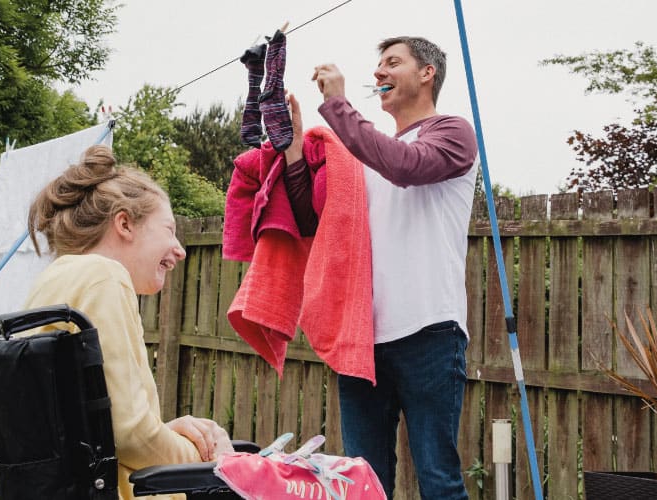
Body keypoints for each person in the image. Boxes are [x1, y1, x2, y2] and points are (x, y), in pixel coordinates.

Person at [284, 37, 479, 499]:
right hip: (361, 340)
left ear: (427, 73)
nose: (379, 73)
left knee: (438, 479)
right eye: (378, 65)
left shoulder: (452, 132)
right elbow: (312, 219)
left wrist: (337, 105)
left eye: (393, 63)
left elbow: (406, 166)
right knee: (362, 483)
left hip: (429, 330)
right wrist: (294, 150)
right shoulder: (365, 159)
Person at [25, 145, 233, 500]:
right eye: (169, 229)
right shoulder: (104, 278)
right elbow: (130, 434)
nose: (179, 249)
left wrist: (165, 432)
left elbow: (98, 433)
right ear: (124, 224)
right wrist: (213, 460)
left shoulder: (55, 282)